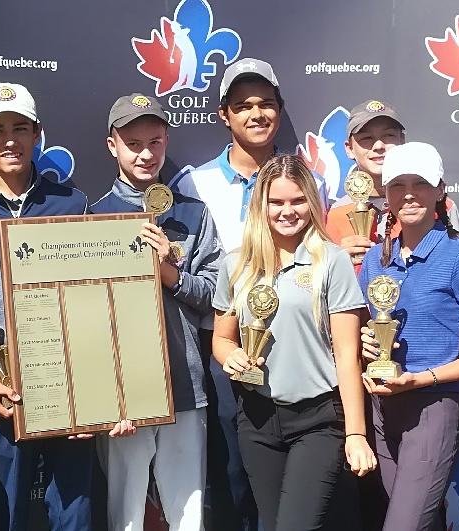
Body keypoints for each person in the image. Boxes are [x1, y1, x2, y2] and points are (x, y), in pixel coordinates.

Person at [0, 82, 93, 530]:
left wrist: (92, 392)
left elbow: (88, 300)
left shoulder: (72, 203)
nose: (10, 139)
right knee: (5, 513)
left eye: (20, 128)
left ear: (37, 132)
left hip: (67, 390)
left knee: (75, 512)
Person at [169, 56, 306, 531]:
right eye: (243, 105)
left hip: (295, 350)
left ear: (280, 110)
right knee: (228, 475)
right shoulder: (192, 184)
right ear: (223, 115)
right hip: (219, 347)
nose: (256, 114)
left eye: (266, 104)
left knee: (286, 477)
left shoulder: (303, 182)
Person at [212, 154, 376, 531]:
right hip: (256, 420)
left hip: (318, 420)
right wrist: (231, 355)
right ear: (260, 205)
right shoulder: (236, 264)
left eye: (298, 200)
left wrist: (355, 434)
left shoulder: (331, 262)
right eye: (277, 202)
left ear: (313, 202)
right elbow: (221, 339)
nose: (288, 211)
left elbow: (347, 357)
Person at [358, 142, 459, 530]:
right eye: (397, 184)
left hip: (433, 407)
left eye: (420, 183)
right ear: (385, 193)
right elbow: (366, 326)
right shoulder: (376, 259)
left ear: (440, 189)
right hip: (381, 409)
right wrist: (365, 342)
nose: (408, 193)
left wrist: (422, 378)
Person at [90, 93, 221, 530]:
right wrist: (106, 394)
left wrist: (170, 271)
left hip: (185, 388)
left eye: (156, 142)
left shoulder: (194, 214)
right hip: (123, 396)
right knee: (124, 513)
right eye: (134, 143)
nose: (146, 153)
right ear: (113, 146)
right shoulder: (90, 217)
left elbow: (214, 295)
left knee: (188, 515)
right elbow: (87, 316)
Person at [325, 99, 459, 266]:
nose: (379, 145)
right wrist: (334, 262)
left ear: (402, 140)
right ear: (349, 148)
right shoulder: (335, 213)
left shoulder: (439, 205)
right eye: (366, 138)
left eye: (388, 135)